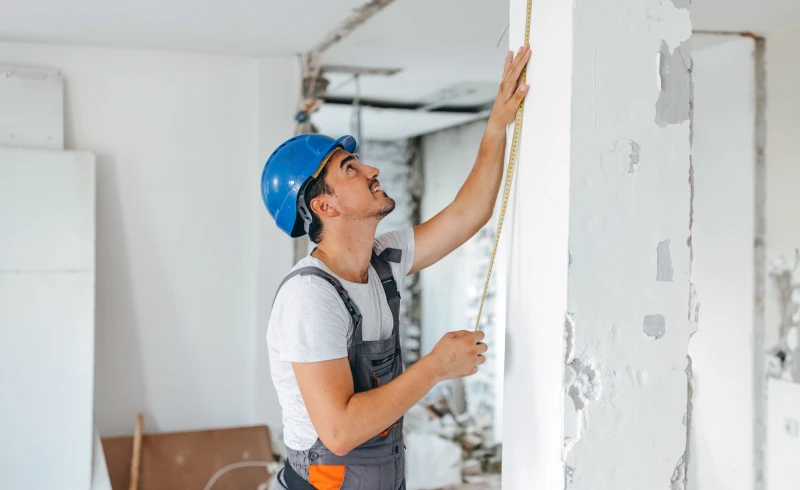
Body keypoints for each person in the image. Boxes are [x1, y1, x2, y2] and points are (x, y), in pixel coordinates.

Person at [261, 44, 531, 490]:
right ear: (324, 204)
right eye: (350, 168)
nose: (372, 169)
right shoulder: (310, 298)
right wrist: (436, 367)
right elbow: (340, 431)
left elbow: (467, 214)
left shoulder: (381, 260)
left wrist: (497, 126)